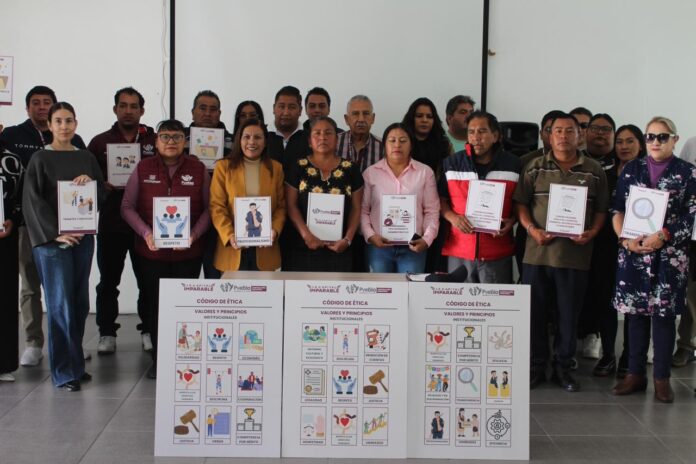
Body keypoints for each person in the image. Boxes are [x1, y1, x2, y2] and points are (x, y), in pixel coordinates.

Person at [514, 112, 609, 392]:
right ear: (549, 135)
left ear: (580, 135)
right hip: (537, 253)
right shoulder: (534, 167)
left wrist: (592, 232)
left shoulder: (594, 170)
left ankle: (563, 368)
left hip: (574, 256)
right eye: (558, 131)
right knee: (535, 314)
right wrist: (532, 229)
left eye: (570, 131)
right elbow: (521, 204)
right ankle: (536, 366)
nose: (564, 136)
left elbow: (601, 209)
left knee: (568, 316)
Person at [0, 86, 87, 367]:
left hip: (73, 228)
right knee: (32, 287)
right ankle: (36, 344)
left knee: (69, 294)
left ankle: (72, 349)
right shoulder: (14, 137)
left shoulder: (77, 144)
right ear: (28, 108)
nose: (41, 106)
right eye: (35, 103)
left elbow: (89, 186)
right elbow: (13, 182)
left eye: (46, 102)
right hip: (30, 225)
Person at [611, 117, 696, 403]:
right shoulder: (632, 169)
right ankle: (634, 375)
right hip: (634, 253)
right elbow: (617, 209)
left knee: (664, 318)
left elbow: (691, 215)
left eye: (662, 136)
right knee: (635, 316)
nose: (655, 142)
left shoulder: (688, 173)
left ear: (675, 139)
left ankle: (661, 378)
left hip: (669, 257)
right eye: (650, 137)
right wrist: (625, 240)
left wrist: (664, 235)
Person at [22, 102, 105, 391]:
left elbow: (102, 194)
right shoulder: (40, 158)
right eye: (58, 121)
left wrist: (90, 186)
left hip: (82, 239)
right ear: (50, 125)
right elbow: (32, 201)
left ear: (76, 124)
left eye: (69, 120)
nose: (64, 126)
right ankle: (63, 372)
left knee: (80, 304)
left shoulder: (86, 157)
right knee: (60, 306)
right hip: (52, 243)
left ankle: (76, 365)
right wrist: (56, 233)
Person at [121, 119, 210, 379]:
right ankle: (160, 361)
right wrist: (146, 233)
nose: (171, 141)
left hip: (188, 254)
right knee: (156, 307)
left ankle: (185, 360)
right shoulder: (143, 167)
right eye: (165, 136)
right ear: (156, 141)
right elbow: (126, 207)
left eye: (177, 137)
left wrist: (194, 234)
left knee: (184, 308)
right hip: (151, 253)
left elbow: (210, 209)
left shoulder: (198, 169)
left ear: (185, 141)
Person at [87, 87, 157, 355]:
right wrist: (101, 185)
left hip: (145, 225)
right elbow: (86, 181)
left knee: (147, 282)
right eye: (123, 105)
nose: (128, 111)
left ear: (142, 110)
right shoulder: (99, 143)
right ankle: (106, 332)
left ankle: (148, 329)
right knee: (108, 282)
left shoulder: (154, 140)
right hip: (111, 223)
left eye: (133, 106)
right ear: (115, 109)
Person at [440, 111, 521, 283]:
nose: (476, 137)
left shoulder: (514, 164)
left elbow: (520, 202)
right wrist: (453, 218)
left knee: (495, 300)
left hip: (497, 251)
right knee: (458, 299)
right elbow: (440, 199)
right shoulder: (452, 163)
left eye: (482, 131)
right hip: (459, 250)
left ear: (495, 136)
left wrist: (512, 220)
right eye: (471, 132)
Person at [284, 117, 363, 272]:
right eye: (317, 133)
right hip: (303, 246)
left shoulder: (351, 169)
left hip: (340, 248)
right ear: (309, 140)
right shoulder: (298, 167)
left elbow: (356, 208)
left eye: (328, 133)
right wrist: (307, 236)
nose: (323, 137)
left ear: (337, 139)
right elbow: (291, 205)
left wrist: (347, 239)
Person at [361, 123, 439, 273]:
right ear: (384, 145)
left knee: (410, 288)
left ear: (411, 145)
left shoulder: (425, 172)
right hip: (378, 247)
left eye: (403, 141)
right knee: (379, 287)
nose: (397, 145)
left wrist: (427, 239)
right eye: (392, 140)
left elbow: (432, 210)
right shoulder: (371, 173)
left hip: (413, 247)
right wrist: (370, 236)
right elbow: (363, 210)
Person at [210, 119, 286, 271]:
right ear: (239, 140)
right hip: (232, 248)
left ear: (265, 142)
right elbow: (216, 207)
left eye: (258, 137)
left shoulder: (276, 168)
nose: (252, 142)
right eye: (246, 137)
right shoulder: (223, 167)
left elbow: (281, 207)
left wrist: (274, 230)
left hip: (265, 249)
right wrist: (229, 234)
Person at [579, 113, 617, 364]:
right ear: (586, 132)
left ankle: (605, 345)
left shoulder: (623, 166)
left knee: (605, 292)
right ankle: (585, 333)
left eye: (606, 129)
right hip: (576, 237)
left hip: (609, 240)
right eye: (595, 128)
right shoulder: (576, 160)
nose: (600, 133)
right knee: (580, 291)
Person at [612, 124, 647, 378]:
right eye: (619, 141)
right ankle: (611, 354)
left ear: (641, 144)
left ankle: (630, 358)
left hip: (641, 246)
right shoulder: (606, 170)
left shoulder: (647, 172)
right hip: (612, 243)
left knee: (636, 308)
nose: (624, 146)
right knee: (615, 304)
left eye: (630, 141)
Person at [185, 90, 231, 280]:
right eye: (202, 108)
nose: (207, 113)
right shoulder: (179, 140)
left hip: (222, 217)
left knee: (216, 277)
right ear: (193, 112)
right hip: (188, 216)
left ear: (219, 114)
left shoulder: (234, 142)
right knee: (187, 280)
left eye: (213, 110)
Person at [402, 97, 451, 273]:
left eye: (429, 116)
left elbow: (448, 179)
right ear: (411, 118)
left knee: (433, 262)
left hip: (435, 208)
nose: (424, 120)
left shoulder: (444, 145)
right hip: (406, 210)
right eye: (419, 116)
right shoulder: (401, 143)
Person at [0, 140, 23, 382]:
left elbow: (21, 199)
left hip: (4, 239)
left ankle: (3, 364)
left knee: (4, 299)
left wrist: (13, 220)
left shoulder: (12, 160)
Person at [672, 135, 696, 368]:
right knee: (692, 293)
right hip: (693, 232)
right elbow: (682, 184)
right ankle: (687, 345)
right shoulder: (693, 144)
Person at [267, 85, 310, 174]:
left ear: (300, 110)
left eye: (292, 107)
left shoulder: (311, 139)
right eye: (281, 106)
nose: (286, 113)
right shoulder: (260, 135)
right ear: (273, 108)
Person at [336, 95, 383, 172]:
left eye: (366, 113)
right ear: (346, 119)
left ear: (373, 118)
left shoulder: (384, 147)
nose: (361, 119)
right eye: (355, 114)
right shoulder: (334, 143)